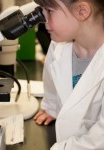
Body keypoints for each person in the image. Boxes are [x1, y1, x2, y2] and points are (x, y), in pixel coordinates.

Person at [33, 0, 104, 149]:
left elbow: (99, 139)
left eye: (49, 11)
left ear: (82, 11)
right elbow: (51, 83)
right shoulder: (58, 47)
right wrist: (52, 108)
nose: (43, 19)